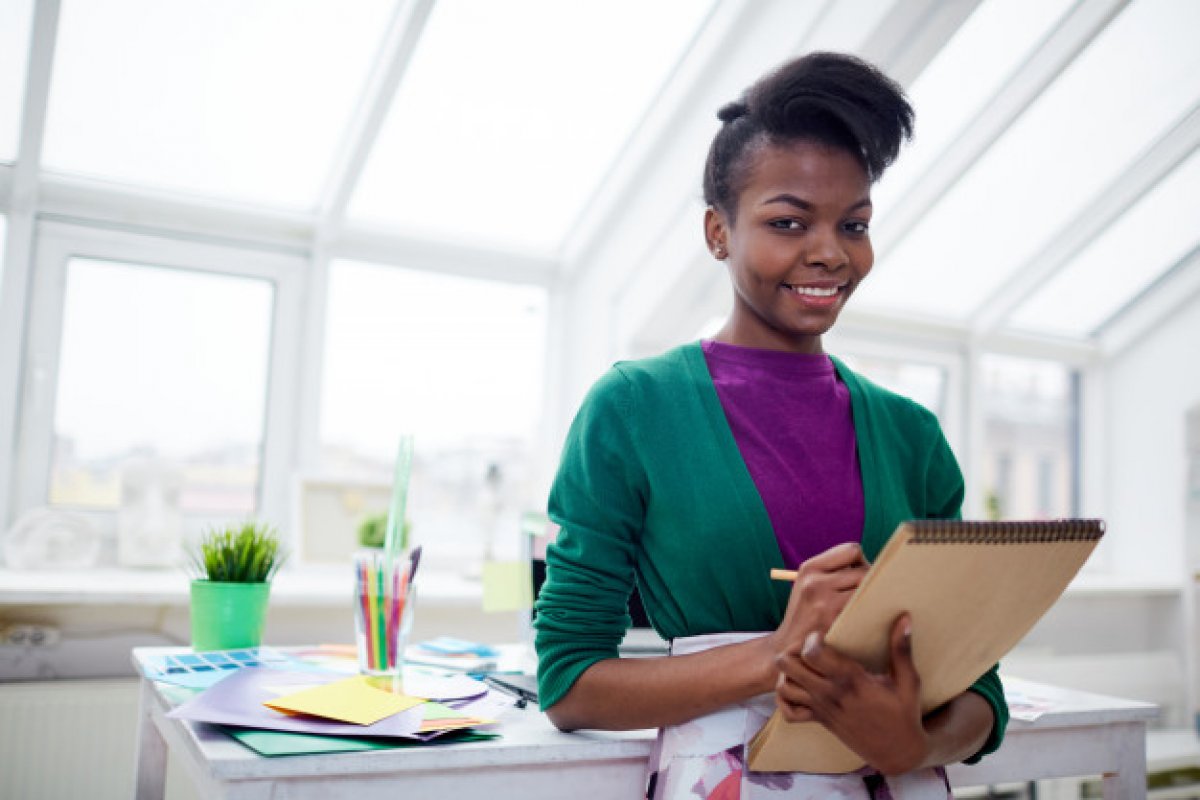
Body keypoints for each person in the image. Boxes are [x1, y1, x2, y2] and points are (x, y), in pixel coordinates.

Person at [533, 51, 1007, 799]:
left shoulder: (912, 435)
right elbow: (569, 683)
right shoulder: (634, 409)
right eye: (788, 222)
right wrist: (778, 653)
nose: (830, 253)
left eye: (854, 224)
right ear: (718, 232)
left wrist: (916, 741)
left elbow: (980, 689)